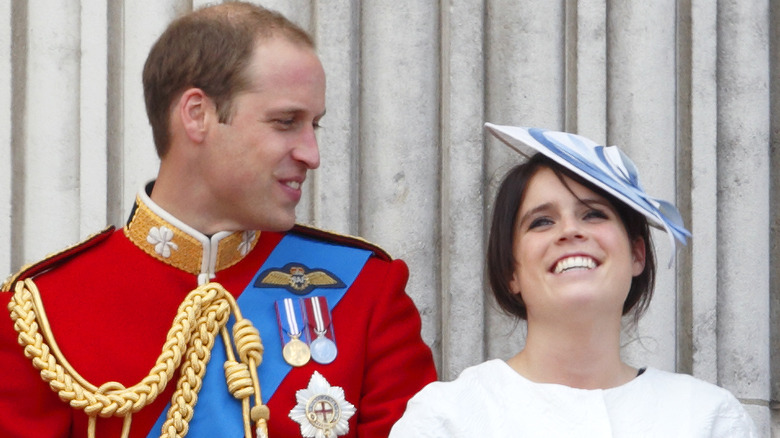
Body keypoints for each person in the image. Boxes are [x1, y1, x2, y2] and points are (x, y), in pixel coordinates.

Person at [0, 3, 436, 438]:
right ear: (197, 114)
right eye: (286, 122)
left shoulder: (364, 289)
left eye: (314, 126)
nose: (312, 154)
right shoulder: (39, 313)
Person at [390, 123, 757, 437]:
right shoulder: (446, 418)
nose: (570, 231)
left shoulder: (710, 419)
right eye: (542, 221)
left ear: (637, 254)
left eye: (594, 214)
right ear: (510, 271)